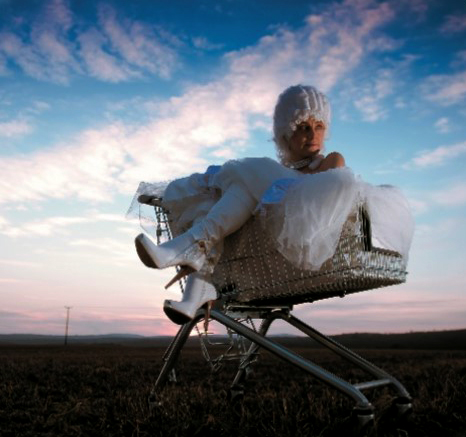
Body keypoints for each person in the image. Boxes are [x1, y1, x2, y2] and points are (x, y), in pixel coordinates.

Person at [132, 85, 413, 325]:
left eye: (319, 127)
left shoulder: (332, 161)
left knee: (247, 179)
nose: (312, 135)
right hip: (276, 237)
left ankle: (191, 257)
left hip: (305, 238)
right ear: (285, 134)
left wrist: (267, 189)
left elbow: (315, 197)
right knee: (229, 191)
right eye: (303, 127)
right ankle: (198, 284)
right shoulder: (275, 175)